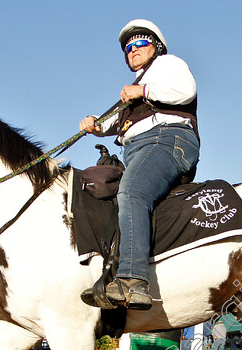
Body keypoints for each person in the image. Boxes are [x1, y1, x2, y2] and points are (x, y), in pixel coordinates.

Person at [80, 19, 199, 310]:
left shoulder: (168, 65)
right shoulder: (135, 88)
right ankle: (108, 270)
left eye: (139, 43)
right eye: (127, 48)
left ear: (156, 47)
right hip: (137, 149)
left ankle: (133, 280)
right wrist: (97, 126)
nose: (132, 50)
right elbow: (117, 119)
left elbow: (187, 90)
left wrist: (143, 92)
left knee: (132, 193)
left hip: (168, 140)